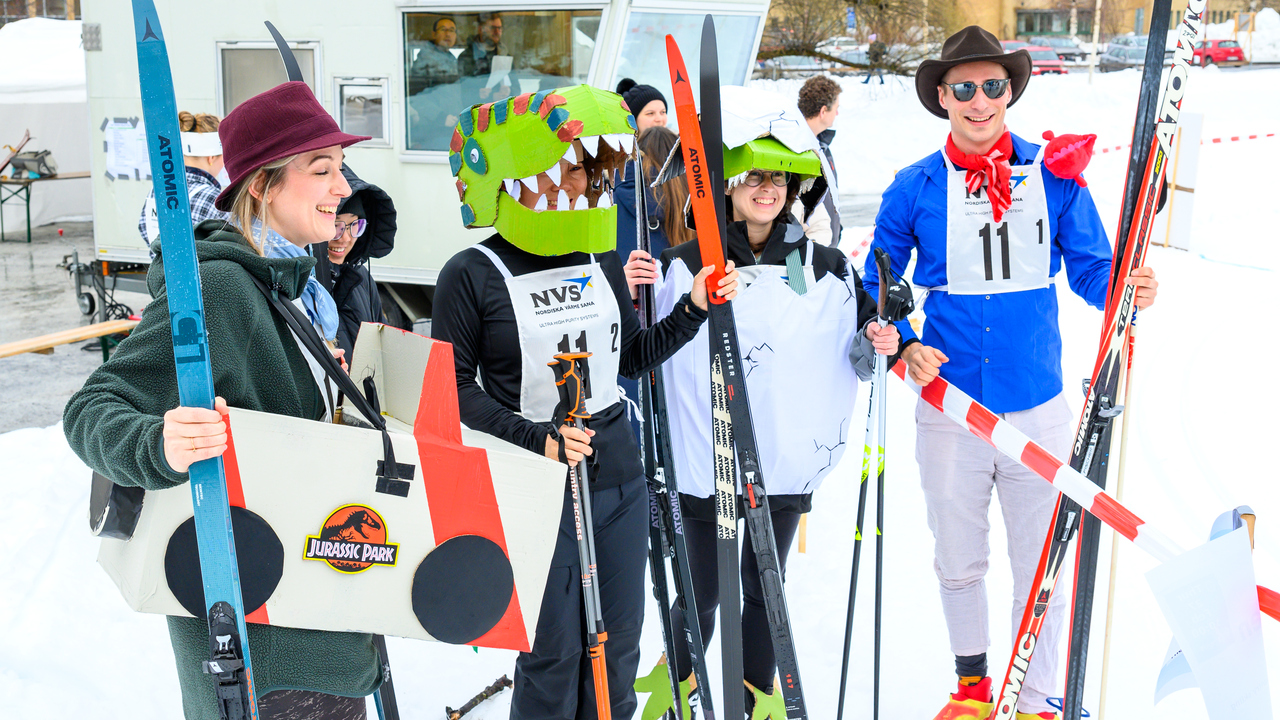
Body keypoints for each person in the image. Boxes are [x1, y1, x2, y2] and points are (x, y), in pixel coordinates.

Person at [860, 26, 1159, 720]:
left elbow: (1092, 269)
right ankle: (971, 689)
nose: (979, 100)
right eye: (964, 87)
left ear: (1009, 92)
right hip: (951, 406)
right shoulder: (913, 187)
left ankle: (1035, 699)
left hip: (1038, 406)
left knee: (1042, 562)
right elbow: (877, 282)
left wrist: (1126, 287)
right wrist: (904, 344)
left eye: (992, 85)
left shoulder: (1053, 176)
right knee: (959, 557)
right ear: (942, 97)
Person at [64, 80, 381, 720]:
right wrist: (160, 443)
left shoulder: (284, 287)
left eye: (341, 168)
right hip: (267, 658)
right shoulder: (222, 287)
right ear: (261, 186)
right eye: (322, 169)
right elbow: (94, 407)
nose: (342, 187)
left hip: (320, 626)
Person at [431, 84, 739, 720]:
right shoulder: (471, 272)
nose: (588, 187)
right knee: (553, 652)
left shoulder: (596, 255)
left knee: (617, 645)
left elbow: (628, 358)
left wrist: (692, 309)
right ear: (521, 178)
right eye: (574, 170)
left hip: (617, 469)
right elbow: (452, 390)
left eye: (595, 176)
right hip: (536, 476)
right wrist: (535, 438)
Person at [641, 86, 899, 714]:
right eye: (754, 176)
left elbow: (867, 341)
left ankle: (755, 696)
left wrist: (885, 337)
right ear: (728, 185)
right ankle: (676, 688)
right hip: (707, 461)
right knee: (703, 591)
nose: (767, 189)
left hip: (781, 461)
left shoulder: (829, 267)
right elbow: (647, 350)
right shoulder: (684, 264)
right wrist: (636, 292)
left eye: (779, 178)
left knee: (764, 586)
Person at [315, 164, 397, 359]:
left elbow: (383, 352)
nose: (345, 238)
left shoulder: (361, 279)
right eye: (335, 225)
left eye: (355, 225)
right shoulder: (304, 285)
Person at [138, 111, 230, 252]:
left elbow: (143, 228)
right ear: (211, 158)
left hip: (159, 266)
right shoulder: (216, 200)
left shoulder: (158, 190)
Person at [793, 75, 843, 247]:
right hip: (808, 250)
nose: (837, 113)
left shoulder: (822, 147)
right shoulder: (796, 150)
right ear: (823, 111)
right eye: (836, 108)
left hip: (825, 245)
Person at [408, 17, 460, 95]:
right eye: (443, 29)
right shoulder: (426, 57)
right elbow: (417, 91)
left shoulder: (450, 57)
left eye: (451, 30)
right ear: (434, 34)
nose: (448, 34)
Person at [457, 13, 506, 79]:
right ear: (480, 29)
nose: (497, 32)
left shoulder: (504, 55)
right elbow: (463, 83)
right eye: (492, 28)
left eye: (499, 28)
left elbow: (514, 82)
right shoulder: (467, 57)